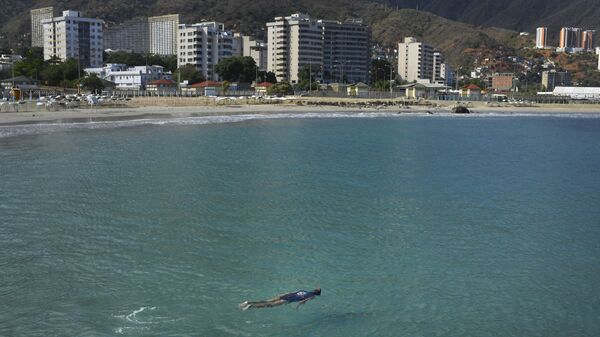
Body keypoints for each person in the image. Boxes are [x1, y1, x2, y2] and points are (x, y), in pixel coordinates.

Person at [238, 288, 321, 310]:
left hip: (285, 296)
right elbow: (303, 301)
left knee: (267, 301)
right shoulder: (312, 296)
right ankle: (250, 306)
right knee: (270, 305)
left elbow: (293, 292)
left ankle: (248, 302)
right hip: (288, 300)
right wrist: (298, 306)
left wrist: (283, 294)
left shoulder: (304, 290)